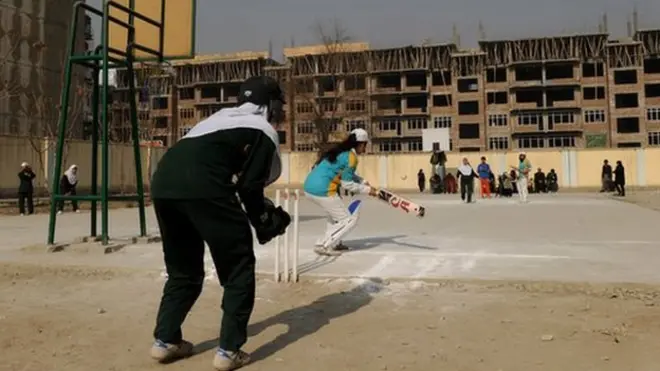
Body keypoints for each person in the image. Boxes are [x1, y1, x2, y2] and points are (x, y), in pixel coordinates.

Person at [147, 76, 290, 371]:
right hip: (206, 187)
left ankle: (165, 341)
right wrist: (265, 222)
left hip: (164, 183)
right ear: (272, 106)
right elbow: (250, 188)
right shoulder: (262, 129)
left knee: (183, 271)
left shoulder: (215, 120)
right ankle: (228, 351)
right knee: (238, 268)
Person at [303, 128, 376, 256]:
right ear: (360, 144)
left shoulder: (341, 152)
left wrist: (362, 181)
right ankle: (323, 244)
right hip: (323, 189)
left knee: (334, 216)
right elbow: (347, 183)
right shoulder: (351, 157)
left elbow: (346, 174)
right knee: (347, 220)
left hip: (310, 186)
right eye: (365, 145)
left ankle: (335, 242)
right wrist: (368, 190)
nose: (365, 149)